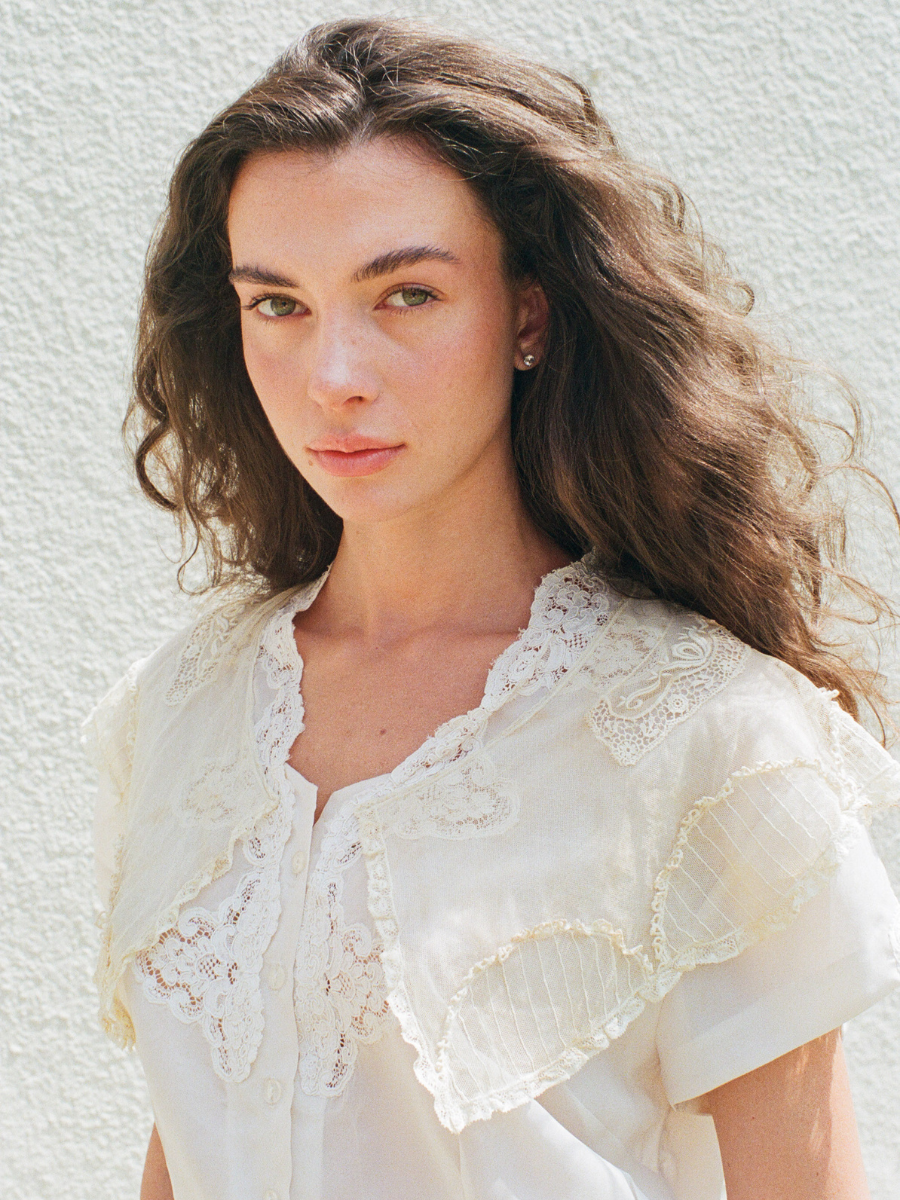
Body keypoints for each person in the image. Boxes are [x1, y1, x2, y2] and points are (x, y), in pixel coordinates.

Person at [84, 17, 900, 1200]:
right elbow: (191, 1143)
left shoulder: (706, 736)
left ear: (528, 315)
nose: (334, 376)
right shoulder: (180, 713)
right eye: (279, 305)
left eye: (405, 294)